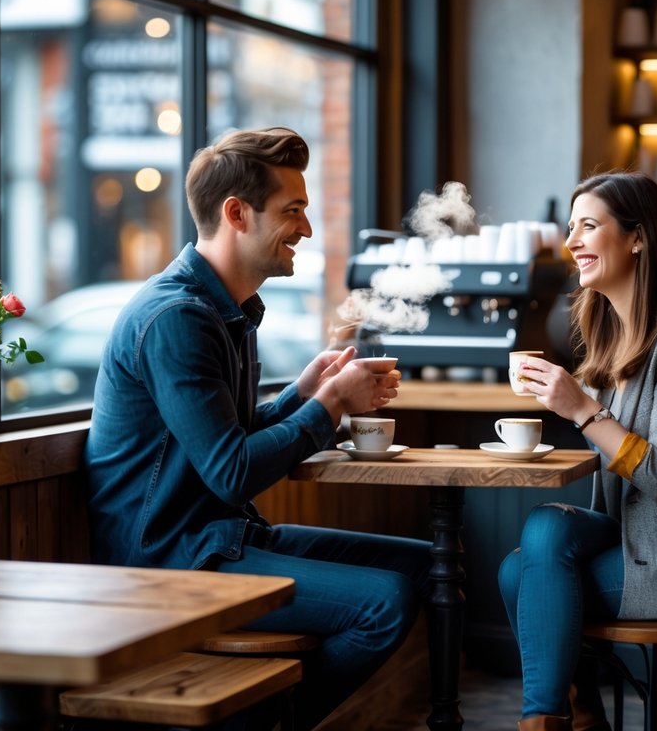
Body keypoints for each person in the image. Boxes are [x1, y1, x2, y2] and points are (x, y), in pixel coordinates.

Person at [84, 127, 430, 731]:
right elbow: (232, 471)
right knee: (386, 602)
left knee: (427, 565)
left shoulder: (223, 309)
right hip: (168, 562)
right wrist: (327, 407)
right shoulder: (177, 318)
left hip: (219, 538)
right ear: (236, 213)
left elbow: (227, 442)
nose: (308, 229)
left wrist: (302, 394)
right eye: (292, 211)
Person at [498, 171, 657, 731]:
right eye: (571, 228)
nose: (571, 242)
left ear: (638, 237)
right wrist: (578, 402)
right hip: (631, 538)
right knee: (537, 540)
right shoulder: (618, 333)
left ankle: (561, 718)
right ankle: (571, 716)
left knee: (525, 573)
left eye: (589, 226)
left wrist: (581, 409)